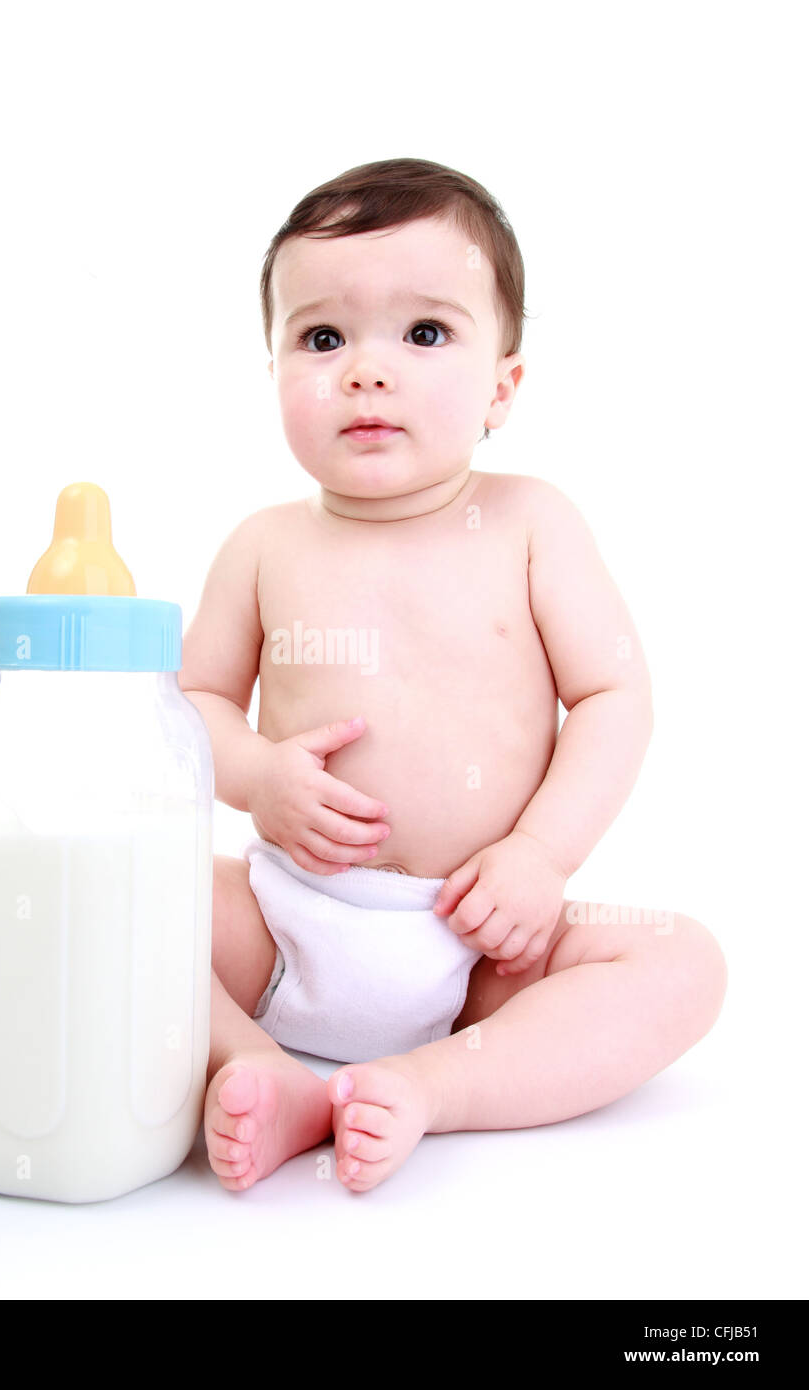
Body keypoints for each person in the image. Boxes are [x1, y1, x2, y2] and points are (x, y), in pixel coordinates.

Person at [179, 157, 727, 1193]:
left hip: (478, 944)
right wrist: (257, 778)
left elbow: (614, 698)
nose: (364, 370)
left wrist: (535, 857)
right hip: (281, 915)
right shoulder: (260, 544)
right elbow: (190, 706)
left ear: (501, 386)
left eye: (422, 333)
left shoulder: (530, 523)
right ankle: (254, 1063)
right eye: (321, 336)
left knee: (680, 961)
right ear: (272, 375)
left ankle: (435, 1084)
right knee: (132, 894)